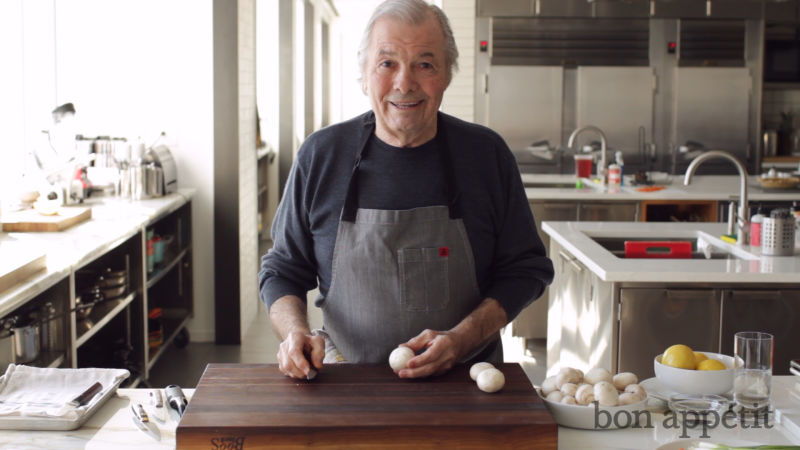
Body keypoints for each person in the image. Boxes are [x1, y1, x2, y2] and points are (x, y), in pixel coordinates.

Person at [258, 0, 553, 380]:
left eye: (425, 64)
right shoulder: (321, 155)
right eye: (387, 63)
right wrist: (295, 333)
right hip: (345, 384)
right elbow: (283, 268)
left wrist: (462, 339)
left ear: (447, 75)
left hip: (468, 384)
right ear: (364, 75)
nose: (404, 82)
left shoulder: (486, 155)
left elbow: (526, 269)